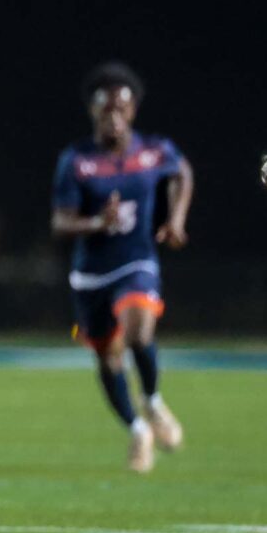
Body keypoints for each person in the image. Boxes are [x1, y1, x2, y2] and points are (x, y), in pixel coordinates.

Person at [51, 62, 193, 473]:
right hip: (91, 273)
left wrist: (177, 219)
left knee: (138, 331)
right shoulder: (77, 160)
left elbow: (181, 172)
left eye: (121, 107)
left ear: (133, 111)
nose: (113, 115)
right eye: (105, 108)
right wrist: (97, 222)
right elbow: (60, 222)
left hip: (137, 261)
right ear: (92, 111)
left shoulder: (153, 150)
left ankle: (152, 401)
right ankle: (137, 430)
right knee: (108, 359)